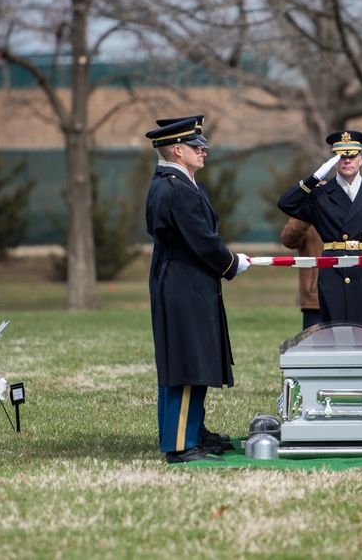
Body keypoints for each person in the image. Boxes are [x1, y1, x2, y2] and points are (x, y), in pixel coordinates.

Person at [144, 115, 250, 464]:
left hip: (184, 280)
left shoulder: (178, 183)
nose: (203, 151)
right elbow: (203, 242)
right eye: (195, 146)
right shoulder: (175, 189)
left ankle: (192, 431)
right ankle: (180, 445)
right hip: (183, 282)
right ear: (177, 150)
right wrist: (232, 263)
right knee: (187, 364)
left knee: (191, 361)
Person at [277, 130, 362, 333]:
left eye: (352, 156)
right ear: (334, 161)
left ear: (361, 159)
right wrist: (314, 178)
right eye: (341, 156)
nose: (347, 161)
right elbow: (286, 203)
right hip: (334, 274)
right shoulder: (321, 194)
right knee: (336, 339)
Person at [279, 218, 324, 331]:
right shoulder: (309, 206)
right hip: (315, 296)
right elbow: (287, 239)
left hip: (348, 291)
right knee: (314, 346)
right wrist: (306, 215)